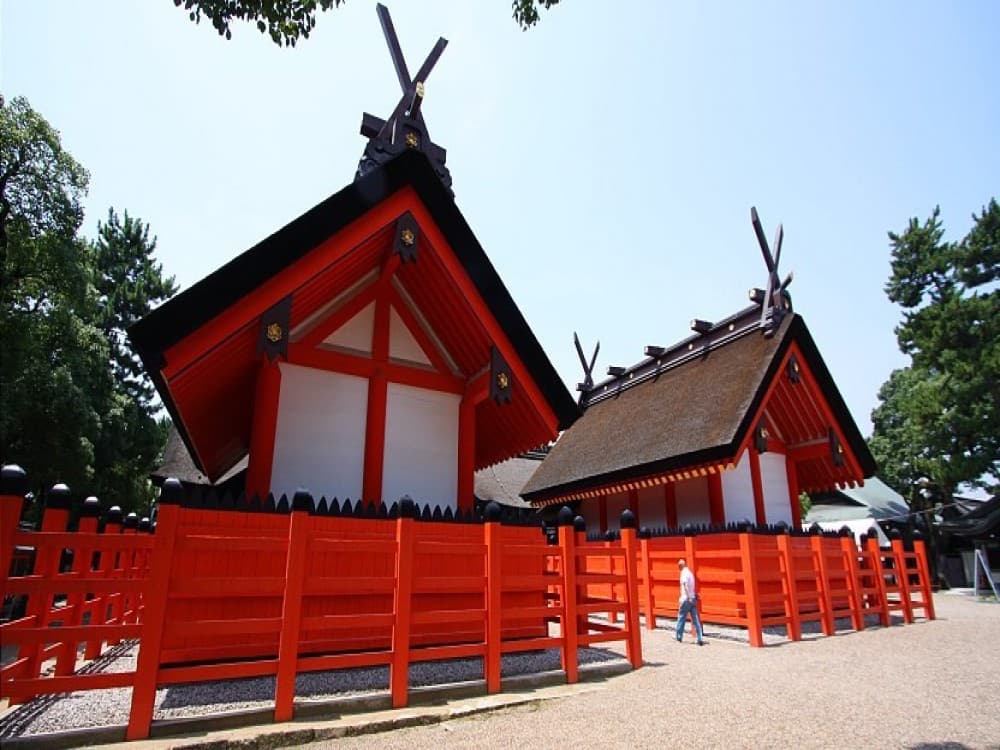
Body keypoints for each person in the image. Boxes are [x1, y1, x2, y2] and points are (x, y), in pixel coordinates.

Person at [676, 558, 705, 645]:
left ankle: (679, 636)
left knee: (681, 617)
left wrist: (688, 597)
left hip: (686, 598)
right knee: (695, 619)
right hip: (693, 598)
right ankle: (700, 637)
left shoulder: (684, 573)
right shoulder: (690, 573)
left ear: (681, 566)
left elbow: (685, 585)